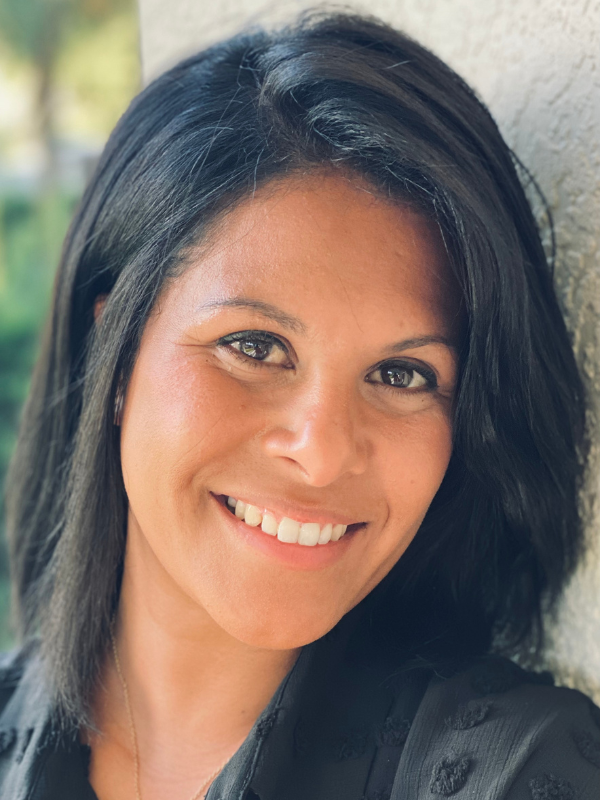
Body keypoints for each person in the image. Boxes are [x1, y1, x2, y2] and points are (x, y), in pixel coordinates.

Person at [1, 10, 598, 800]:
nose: (320, 451)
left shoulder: (519, 773)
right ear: (115, 354)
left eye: (402, 375)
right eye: (253, 347)